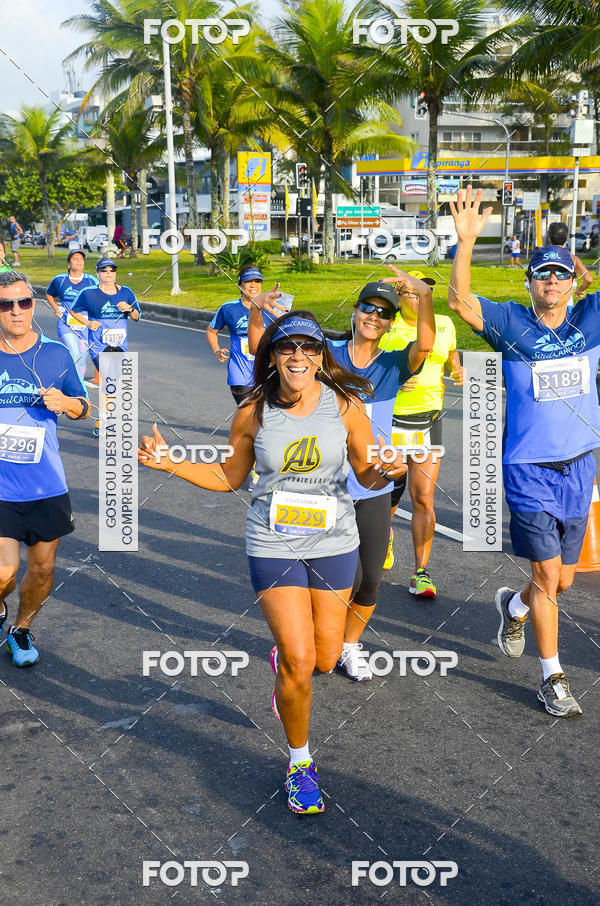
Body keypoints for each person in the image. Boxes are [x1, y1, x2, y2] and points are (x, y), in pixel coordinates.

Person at [139, 310, 406, 814]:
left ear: (321, 356)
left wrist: (389, 471)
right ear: (273, 356)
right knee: (301, 660)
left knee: (324, 659)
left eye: (309, 347)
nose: (298, 356)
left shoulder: (345, 406)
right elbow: (229, 477)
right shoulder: (253, 411)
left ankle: (287, 661)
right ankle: (300, 763)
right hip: (272, 542)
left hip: (334, 541)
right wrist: (171, 462)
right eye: (288, 347)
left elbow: (367, 475)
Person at [449, 185, 600, 719]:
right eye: (542, 274)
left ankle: (513, 607)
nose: (551, 282)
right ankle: (552, 677)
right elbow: (460, 301)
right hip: (528, 469)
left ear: (572, 281)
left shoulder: (590, 319)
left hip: (579, 467)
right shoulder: (512, 324)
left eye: (560, 274)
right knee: (547, 577)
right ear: (529, 282)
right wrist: (466, 242)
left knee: (561, 579)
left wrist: (587, 277)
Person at [248, 277, 435, 681]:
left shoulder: (393, 364)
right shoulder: (326, 353)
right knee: (342, 578)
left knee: (370, 581)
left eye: (384, 313)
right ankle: (301, 642)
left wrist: (423, 296)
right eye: (368, 307)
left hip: (372, 483)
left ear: (391, 322)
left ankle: (348, 645)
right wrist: (256, 310)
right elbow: (262, 349)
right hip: (324, 486)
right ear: (355, 310)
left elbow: (425, 345)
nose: (374, 316)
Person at [0, 270, 90, 667]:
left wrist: (67, 404)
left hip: (45, 486)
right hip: (2, 488)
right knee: (4, 572)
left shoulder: (56, 353)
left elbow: (85, 407)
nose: (16, 311)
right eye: (5, 304)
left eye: (23, 302)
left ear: (33, 305)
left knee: (42, 570)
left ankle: (19, 630)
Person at [379, 268, 463, 597]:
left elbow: (450, 354)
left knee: (424, 497)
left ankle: (421, 572)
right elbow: (367, 367)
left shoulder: (444, 324)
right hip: (391, 421)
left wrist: (456, 367)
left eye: (422, 292)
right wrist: (394, 379)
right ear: (399, 298)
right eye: (411, 293)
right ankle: (384, 535)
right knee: (388, 494)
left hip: (429, 421)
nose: (417, 298)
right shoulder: (387, 327)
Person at [69, 258, 140, 436]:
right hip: (98, 345)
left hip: (120, 345)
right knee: (109, 379)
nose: (108, 273)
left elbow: (137, 316)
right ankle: (104, 422)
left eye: (112, 270)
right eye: (104, 270)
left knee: (112, 382)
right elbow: (73, 310)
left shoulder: (126, 292)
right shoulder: (88, 293)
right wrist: (87, 323)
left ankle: (106, 419)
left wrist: (130, 309)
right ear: (98, 273)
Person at [207, 267, 270, 406]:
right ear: (240, 285)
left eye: (257, 281)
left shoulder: (271, 309)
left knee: (266, 414)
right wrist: (216, 350)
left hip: (267, 372)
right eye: (248, 281)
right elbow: (211, 331)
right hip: (240, 373)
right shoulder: (228, 308)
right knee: (249, 410)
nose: (253, 285)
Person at [46, 248, 98, 381]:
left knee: (82, 357)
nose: (79, 261)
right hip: (66, 324)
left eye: (81, 259)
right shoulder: (60, 280)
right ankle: (73, 384)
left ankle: (78, 384)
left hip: (85, 326)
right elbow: (49, 293)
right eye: (75, 259)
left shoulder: (91, 281)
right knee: (75, 353)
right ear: (68, 263)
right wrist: (56, 308)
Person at [547, 222, 593, 298]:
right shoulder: (572, 258)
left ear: (549, 239)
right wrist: (580, 289)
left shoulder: (541, 257)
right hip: (565, 298)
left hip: (544, 298)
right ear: (567, 238)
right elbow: (588, 279)